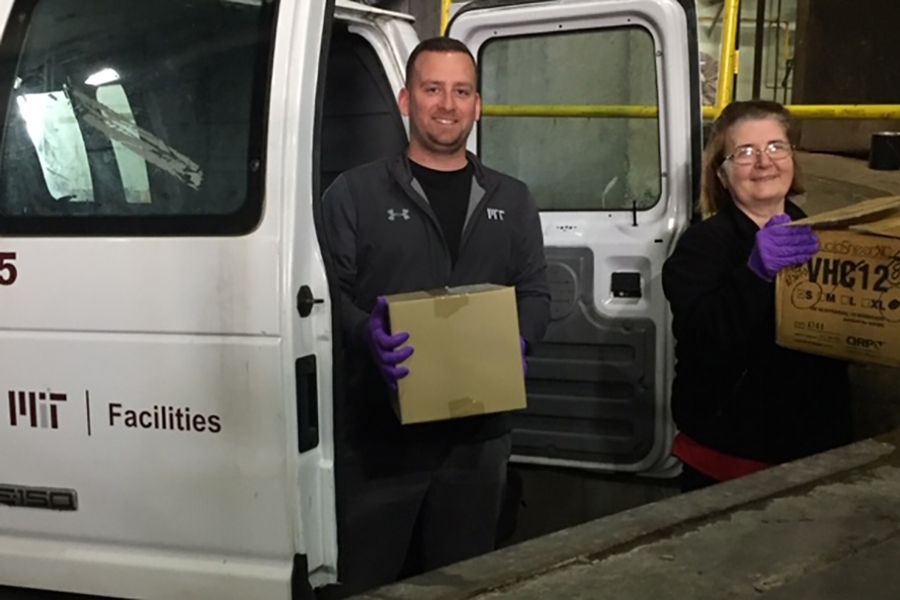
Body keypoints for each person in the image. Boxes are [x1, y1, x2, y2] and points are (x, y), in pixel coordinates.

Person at [320, 36, 550, 596]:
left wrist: (521, 340)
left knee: (463, 581)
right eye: (432, 89)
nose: (446, 104)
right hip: (380, 437)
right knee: (370, 581)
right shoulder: (354, 194)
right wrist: (365, 334)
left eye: (461, 91)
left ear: (477, 104)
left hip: (478, 439)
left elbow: (536, 292)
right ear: (406, 100)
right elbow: (328, 295)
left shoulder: (512, 198)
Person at [662, 100, 852, 493]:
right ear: (723, 173)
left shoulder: (826, 240)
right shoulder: (701, 247)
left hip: (815, 453)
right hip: (730, 458)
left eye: (776, 147)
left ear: (792, 159)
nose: (764, 162)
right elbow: (704, 341)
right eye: (745, 153)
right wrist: (754, 275)